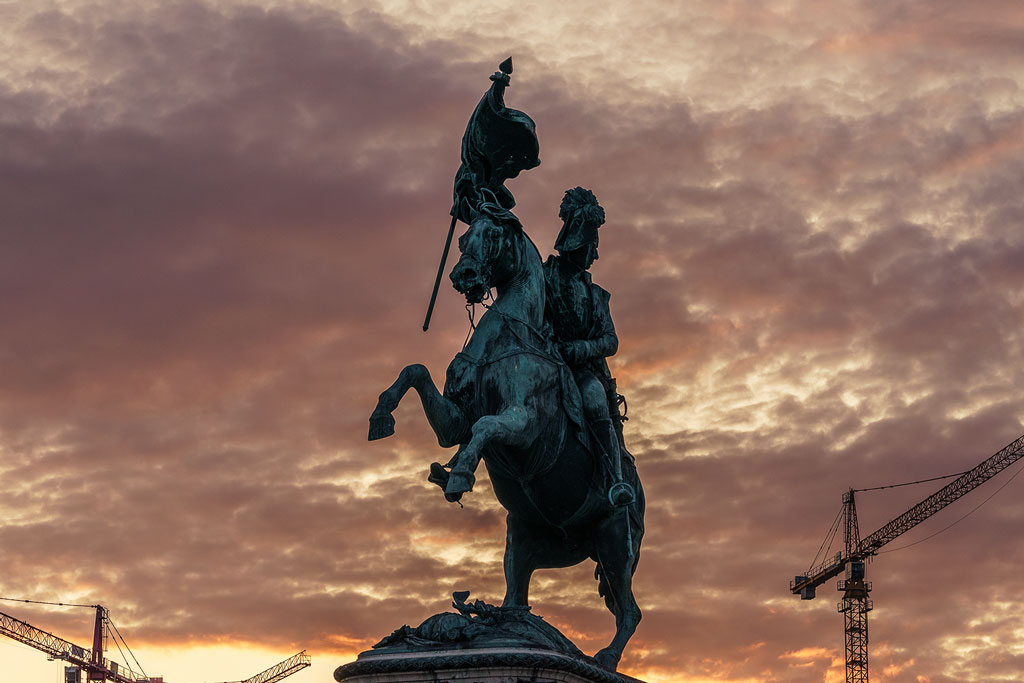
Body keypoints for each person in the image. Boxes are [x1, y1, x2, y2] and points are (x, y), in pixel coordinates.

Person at [544, 187, 634, 507]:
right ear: (578, 241)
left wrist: (579, 350)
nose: (594, 255)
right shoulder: (543, 278)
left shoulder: (597, 296)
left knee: (595, 398)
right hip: (543, 362)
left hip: (582, 372)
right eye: (592, 246)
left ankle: (615, 479)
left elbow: (610, 341)